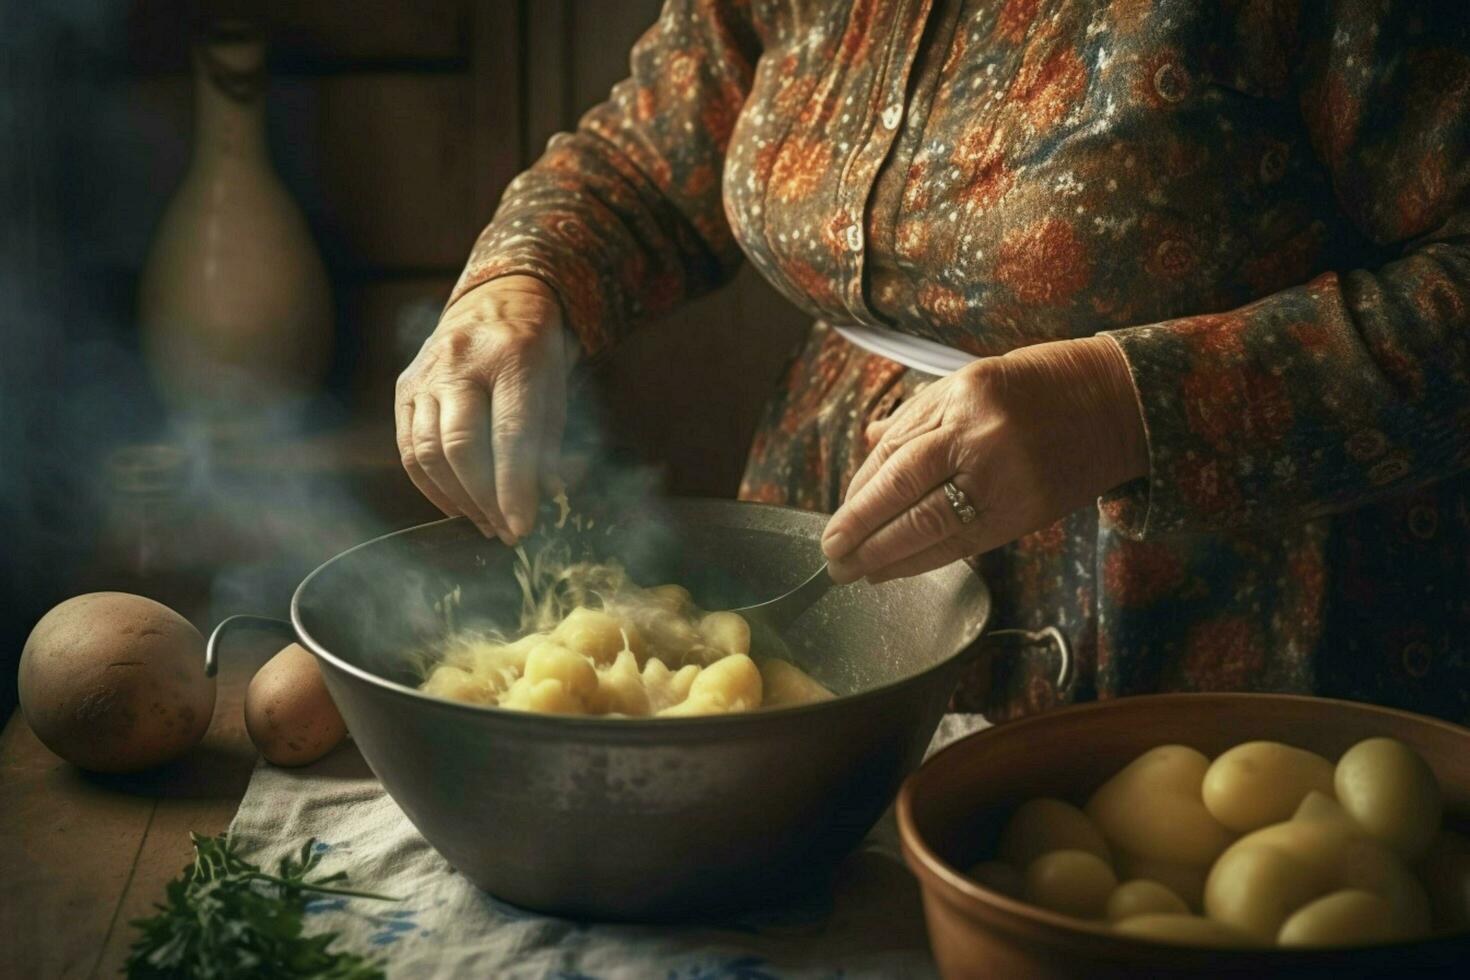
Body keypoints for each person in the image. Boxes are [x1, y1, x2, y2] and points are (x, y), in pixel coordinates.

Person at [395, 1, 1470, 721]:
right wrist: (519, 281)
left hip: (1223, 625)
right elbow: (656, 148)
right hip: (840, 572)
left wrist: (1120, 406)